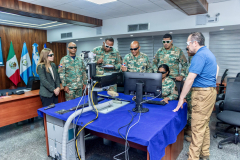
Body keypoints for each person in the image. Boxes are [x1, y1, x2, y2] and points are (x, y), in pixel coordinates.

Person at [173, 32, 218, 160]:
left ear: (195, 43)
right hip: (209, 92)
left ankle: (193, 157)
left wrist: (181, 98)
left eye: (188, 43)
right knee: (204, 124)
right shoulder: (208, 52)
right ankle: (204, 153)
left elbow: (190, 79)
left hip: (202, 94)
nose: (187, 46)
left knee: (197, 127)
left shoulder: (200, 55)